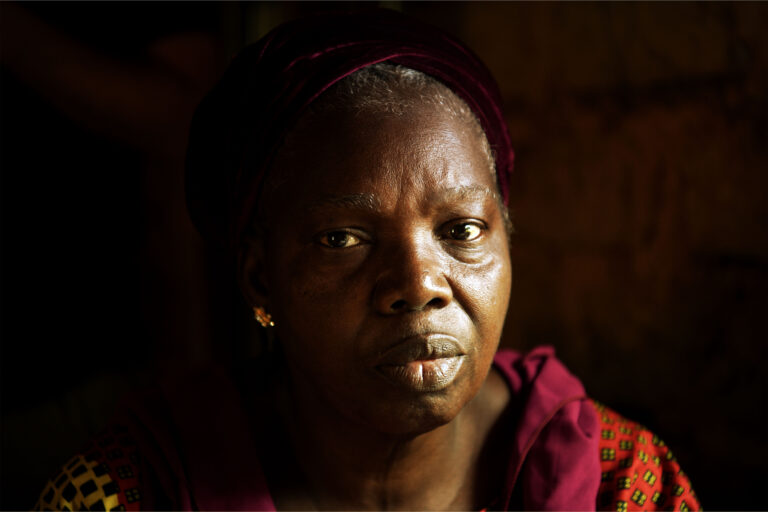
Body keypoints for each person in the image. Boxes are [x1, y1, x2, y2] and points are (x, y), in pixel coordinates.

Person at [34, 9, 699, 511]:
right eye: (342, 239)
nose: (418, 286)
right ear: (260, 278)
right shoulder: (127, 491)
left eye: (462, 229)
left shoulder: (620, 485)